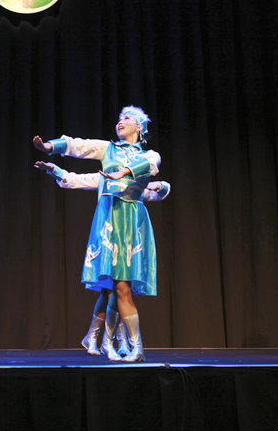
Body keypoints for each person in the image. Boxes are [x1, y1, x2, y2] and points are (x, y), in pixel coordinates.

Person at [32, 105, 161, 362]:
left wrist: (125, 173)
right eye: (119, 118)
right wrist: (51, 149)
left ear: (140, 127)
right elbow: (80, 148)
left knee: (119, 286)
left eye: (127, 119)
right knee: (115, 286)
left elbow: (152, 166)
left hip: (132, 226)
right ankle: (120, 344)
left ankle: (114, 342)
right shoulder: (108, 149)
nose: (120, 122)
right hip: (111, 224)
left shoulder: (149, 154)